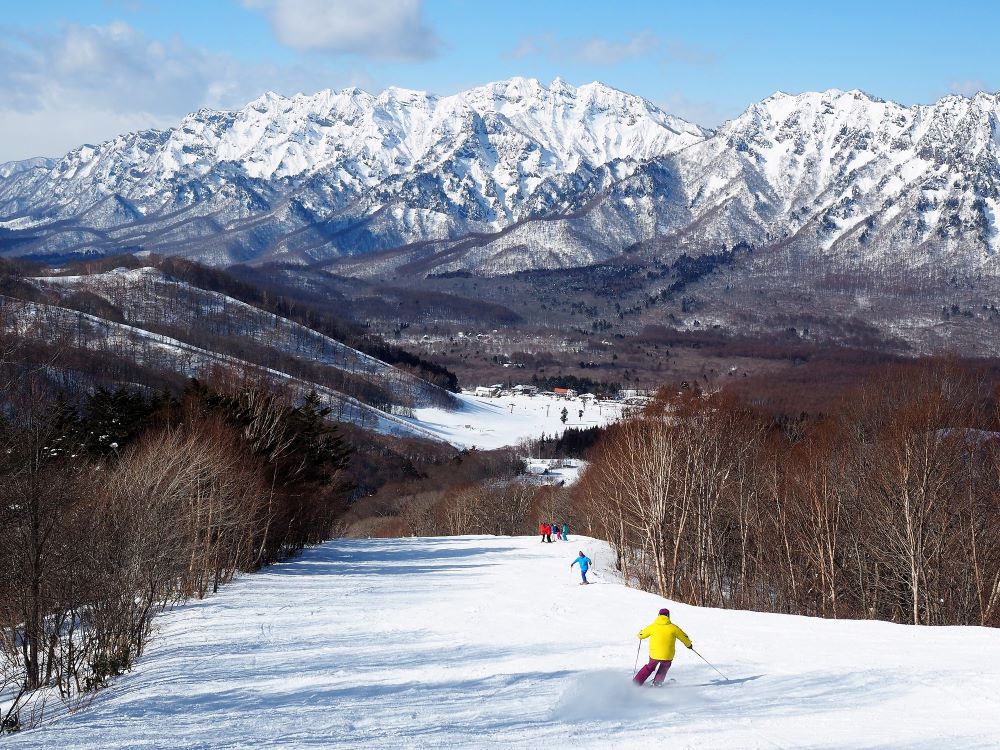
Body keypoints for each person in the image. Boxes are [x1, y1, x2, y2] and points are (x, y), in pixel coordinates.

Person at [634, 608, 692, 687]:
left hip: (654, 655)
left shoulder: (652, 626)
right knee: (664, 666)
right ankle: (657, 683)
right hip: (667, 655)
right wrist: (689, 645)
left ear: (658, 615)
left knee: (650, 667)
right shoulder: (674, 628)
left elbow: (641, 635)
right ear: (668, 616)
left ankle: (636, 682)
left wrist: (640, 633)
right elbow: (684, 637)